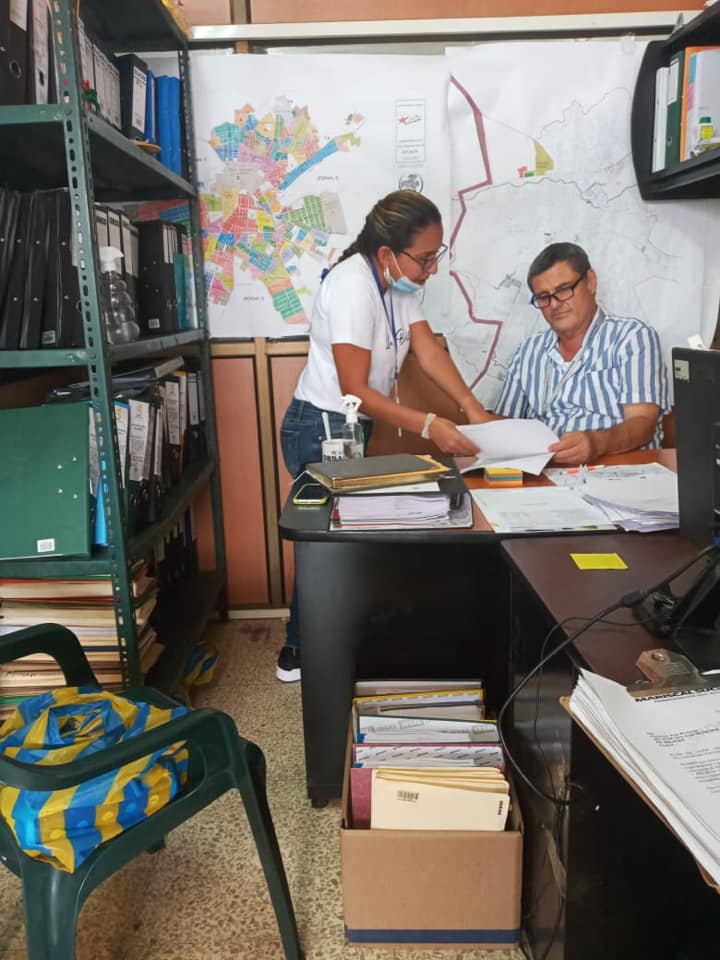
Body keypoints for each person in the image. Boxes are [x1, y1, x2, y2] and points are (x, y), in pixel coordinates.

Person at [277, 189, 487, 681]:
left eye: (437, 255)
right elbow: (354, 388)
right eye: (425, 258)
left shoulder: (398, 287)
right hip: (320, 427)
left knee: (342, 538)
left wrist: (473, 409)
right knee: (326, 541)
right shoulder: (353, 287)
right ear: (388, 252)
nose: (432, 268)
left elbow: (428, 353)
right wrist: (431, 425)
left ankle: (331, 642)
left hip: (350, 423)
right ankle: (298, 653)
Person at [480, 242, 669, 464]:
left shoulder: (632, 337)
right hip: (544, 472)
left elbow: (642, 424)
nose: (554, 305)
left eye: (563, 290)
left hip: (614, 470)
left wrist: (597, 443)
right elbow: (507, 423)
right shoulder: (529, 350)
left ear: (590, 282)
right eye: (543, 297)